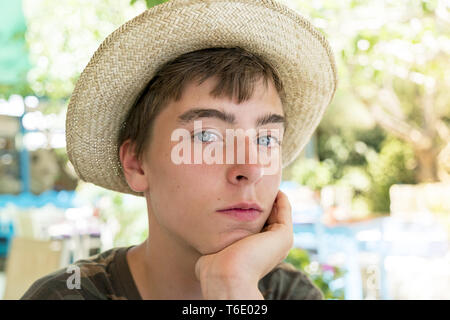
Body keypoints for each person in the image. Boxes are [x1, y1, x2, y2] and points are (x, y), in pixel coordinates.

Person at [21, 0, 337, 300]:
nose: (251, 168)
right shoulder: (69, 295)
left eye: (266, 140)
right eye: (207, 136)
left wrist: (234, 287)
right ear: (137, 164)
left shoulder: (290, 292)